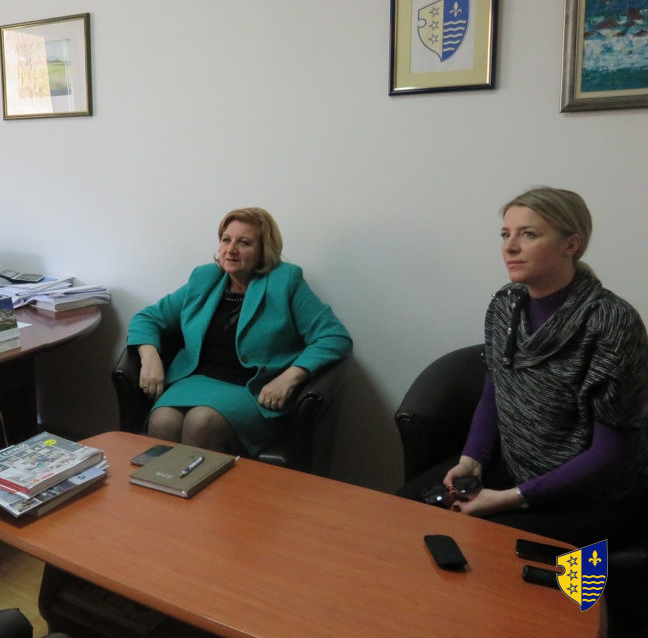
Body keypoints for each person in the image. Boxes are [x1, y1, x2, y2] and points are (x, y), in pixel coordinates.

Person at [399, 187, 648, 547]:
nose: (510, 247)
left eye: (528, 234)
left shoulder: (612, 323)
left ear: (570, 244)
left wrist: (509, 499)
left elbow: (612, 455)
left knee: (483, 551)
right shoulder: (506, 304)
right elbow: (494, 393)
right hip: (516, 467)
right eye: (506, 234)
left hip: (590, 496)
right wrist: (472, 460)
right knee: (400, 514)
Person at [127, 207, 352, 456]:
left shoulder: (286, 281)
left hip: (251, 389)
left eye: (244, 242)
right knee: (162, 421)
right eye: (226, 240)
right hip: (196, 381)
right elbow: (147, 318)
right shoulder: (204, 278)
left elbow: (334, 336)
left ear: (264, 250)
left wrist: (291, 376)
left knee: (201, 422)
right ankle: (163, 483)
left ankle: (204, 484)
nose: (231, 249)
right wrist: (150, 357)